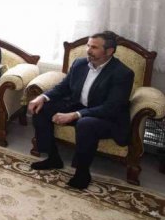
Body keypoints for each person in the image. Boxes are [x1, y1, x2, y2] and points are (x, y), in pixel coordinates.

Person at [27, 31, 134, 189]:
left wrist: (75, 115)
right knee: (41, 108)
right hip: (79, 106)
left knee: (85, 124)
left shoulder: (122, 73)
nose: (88, 50)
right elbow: (63, 87)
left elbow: (111, 107)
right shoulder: (80, 63)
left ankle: (82, 172)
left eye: (94, 47)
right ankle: (53, 158)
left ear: (109, 51)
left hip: (107, 117)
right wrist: (42, 97)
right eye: (88, 46)